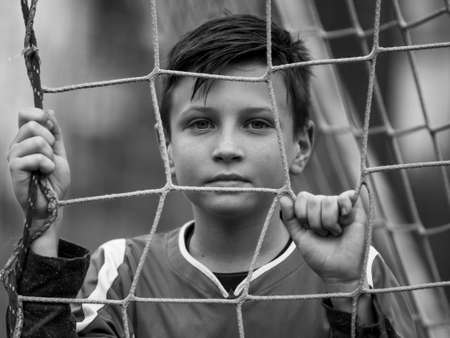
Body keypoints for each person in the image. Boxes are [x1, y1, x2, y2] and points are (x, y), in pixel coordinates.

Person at [6, 14, 416, 338]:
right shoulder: (120, 271)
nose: (226, 147)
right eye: (201, 124)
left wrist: (345, 293)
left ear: (302, 146)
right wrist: (43, 228)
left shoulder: (357, 270)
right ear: (167, 147)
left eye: (256, 124)